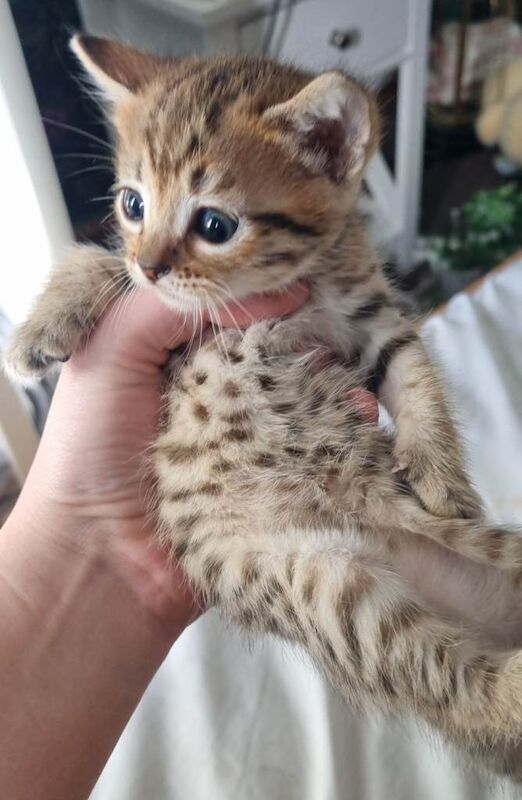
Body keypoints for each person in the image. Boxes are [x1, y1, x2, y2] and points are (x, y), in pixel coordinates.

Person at [1, 283, 520, 800]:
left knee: (461, 559)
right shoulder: (153, 281)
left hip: (339, 467)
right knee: (336, 587)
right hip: (220, 522)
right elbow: (113, 281)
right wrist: (77, 296)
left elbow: (372, 319)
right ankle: (485, 700)